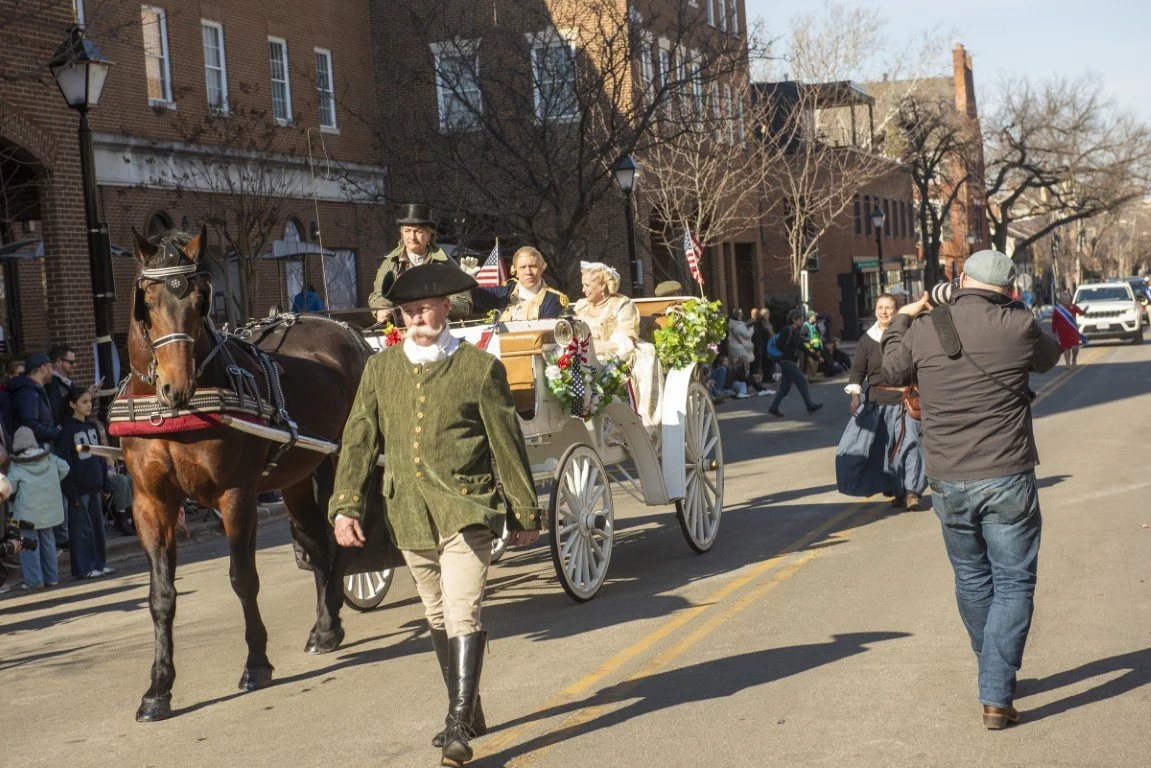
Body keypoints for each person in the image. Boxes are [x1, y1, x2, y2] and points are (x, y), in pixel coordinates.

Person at [330, 263, 541, 766]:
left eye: (425, 307)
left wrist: (525, 511)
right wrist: (345, 505)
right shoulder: (380, 370)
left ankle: (455, 726)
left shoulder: (478, 367)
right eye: (408, 310)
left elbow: (505, 443)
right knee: (434, 613)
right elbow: (358, 440)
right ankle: (472, 707)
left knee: (461, 610)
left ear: (446, 308)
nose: (417, 317)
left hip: (468, 507)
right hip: (408, 512)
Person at [880, 250, 1061, 730]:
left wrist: (902, 315)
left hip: (948, 478)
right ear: (1008, 290)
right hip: (1007, 475)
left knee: (971, 577)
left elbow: (893, 371)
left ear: (960, 279)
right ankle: (996, 689)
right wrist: (1018, 309)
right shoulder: (1019, 325)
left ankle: (993, 670)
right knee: (1015, 581)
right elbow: (1050, 354)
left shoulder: (924, 327)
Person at [836, 294, 927, 511]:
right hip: (878, 404)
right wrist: (855, 395)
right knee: (888, 451)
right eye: (880, 307)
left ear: (897, 312)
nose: (884, 312)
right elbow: (857, 371)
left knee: (910, 445)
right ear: (875, 310)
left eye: (889, 308)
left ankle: (912, 491)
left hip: (906, 401)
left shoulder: (908, 335)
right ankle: (897, 490)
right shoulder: (867, 340)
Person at [573, 262, 662, 427]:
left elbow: (625, 338)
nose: (583, 290)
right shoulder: (581, 306)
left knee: (641, 362)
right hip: (585, 355)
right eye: (582, 285)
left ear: (602, 286)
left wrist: (595, 350)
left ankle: (634, 423)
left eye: (587, 285)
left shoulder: (622, 304)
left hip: (615, 354)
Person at [367, 204, 472, 324]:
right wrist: (382, 309)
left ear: (430, 235)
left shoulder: (445, 263)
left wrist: (439, 307)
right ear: (402, 233)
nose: (412, 237)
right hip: (402, 330)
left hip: (437, 330)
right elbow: (378, 295)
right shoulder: (390, 263)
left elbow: (464, 303)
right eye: (407, 231)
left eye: (418, 231)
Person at [55, 387, 112, 580]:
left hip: (95, 486)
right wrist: (71, 492)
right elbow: (64, 464)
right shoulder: (67, 430)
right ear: (72, 404)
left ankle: (99, 563)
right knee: (82, 531)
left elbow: (100, 458)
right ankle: (83, 568)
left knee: (97, 530)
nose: (89, 405)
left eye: (90, 402)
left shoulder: (92, 427)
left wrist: (106, 484)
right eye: (84, 402)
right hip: (78, 490)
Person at [7, 426, 70, 588]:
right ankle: (52, 577)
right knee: (49, 542)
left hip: (27, 514)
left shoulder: (17, 465)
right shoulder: (49, 458)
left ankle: (35, 581)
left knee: (28, 545)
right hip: (49, 510)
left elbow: (10, 488)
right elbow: (65, 468)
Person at [467, 246, 569, 321]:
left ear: (541, 269)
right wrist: (466, 281)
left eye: (533, 266)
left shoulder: (554, 299)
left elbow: (547, 334)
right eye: (523, 267)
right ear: (515, 271)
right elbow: (475, 297)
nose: (528, 272)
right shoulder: (505, 292)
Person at [767, 310, 823, 418]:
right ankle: (809, 405)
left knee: (785, 388)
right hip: (786, 361)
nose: (801, 321)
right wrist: (791, 351)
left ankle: (773, 408)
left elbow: (802, 348)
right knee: (801, 380)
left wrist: (816, 357)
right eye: (799, 319)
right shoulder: (786, 330)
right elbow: (779, 345)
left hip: (791, 361)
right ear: (794, 320)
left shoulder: (796, 332)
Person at [1051, 291, 1086, 367]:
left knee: (1075, 347)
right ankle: (1068, 363)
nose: (1066, 300)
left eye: (1067, 298)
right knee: (1065, 348)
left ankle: (1074, 359)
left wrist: (1085, 311)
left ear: (1070, 299)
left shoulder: (1073, 307)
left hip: (1073, 331)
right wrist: (1054, 332)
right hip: (1062, 332)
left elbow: (1081, 312)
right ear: (1060, 300)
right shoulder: (1057, 310)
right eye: (1064, 298)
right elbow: (1054, 322)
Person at [46, 344, 76, 419]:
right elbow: (58, 413)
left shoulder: (68, 382)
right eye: (71, 362)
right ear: (59, 362)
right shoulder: (51, 384)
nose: (75, 365)